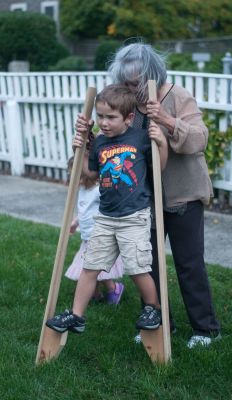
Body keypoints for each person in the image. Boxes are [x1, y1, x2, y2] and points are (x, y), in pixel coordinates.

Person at [107, 42, 221, 348]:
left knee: (189, 263)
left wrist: (167, 120)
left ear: (153, 74)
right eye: (127, 83)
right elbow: (112, 137)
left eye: (138, 82)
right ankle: (158, 324)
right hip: (145, 198)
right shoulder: (128, 104)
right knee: (148, 264)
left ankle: (205, 329)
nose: (133, 89)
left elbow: (199, 139)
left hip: (183, 194)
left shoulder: (177, 95)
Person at [46, 84, 168, 335]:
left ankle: (153, 308)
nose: (104, 122)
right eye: (100, 116)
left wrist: (162, 142)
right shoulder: (100, 143)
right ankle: (77, 316)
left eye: (111, 117)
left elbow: (160, 167)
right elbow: (90, 173)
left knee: (137, 266)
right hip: (105, 216)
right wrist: (77, 148)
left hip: (134, 216)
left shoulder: (141, 138)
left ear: (129, 118)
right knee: (91, 266)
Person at [65, 155, 124, 305]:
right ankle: (94, 293)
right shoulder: (83, 190)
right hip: (87, 237)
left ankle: (114, 289)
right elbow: (85, 210)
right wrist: (75, 222)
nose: (71, 178)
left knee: (96, 266)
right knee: (90, 266)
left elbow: (111, 204)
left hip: (100, 236)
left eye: (74, 175)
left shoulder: (98, 189)